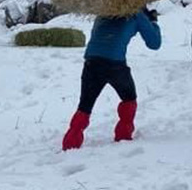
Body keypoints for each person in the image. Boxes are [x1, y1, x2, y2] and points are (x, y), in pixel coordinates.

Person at [62, 8, 162, 151]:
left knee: (85, 105)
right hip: (115, 64)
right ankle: (123, 135)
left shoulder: (104, 9)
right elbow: (154, 43)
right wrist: (152, 20)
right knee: (129, 98)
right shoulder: (135, 14)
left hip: (91, 61)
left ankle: (70, 143)